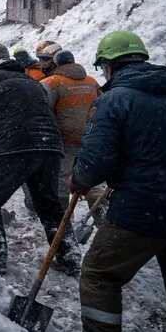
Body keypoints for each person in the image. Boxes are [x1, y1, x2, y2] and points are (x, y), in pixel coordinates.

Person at [69, 31, 166, 332]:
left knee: (99, 274)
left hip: (142, 208)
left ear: (109, 67)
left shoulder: (114, 100)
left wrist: (80, 179)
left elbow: (96, 159)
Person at [0, 42, 81, 276]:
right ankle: (70, 258)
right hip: (49, 146)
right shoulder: (31, 81)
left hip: (15, 145)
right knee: (50, 207)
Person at [41, 50, 104, 223]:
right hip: (91, 140)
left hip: (64, 142)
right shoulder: (92, 82)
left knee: (61, 181)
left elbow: (42, 110)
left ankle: (64, 224)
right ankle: (103, 217)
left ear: (56, 64)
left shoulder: (50, 83)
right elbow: (103, 106)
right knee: (93, 179)